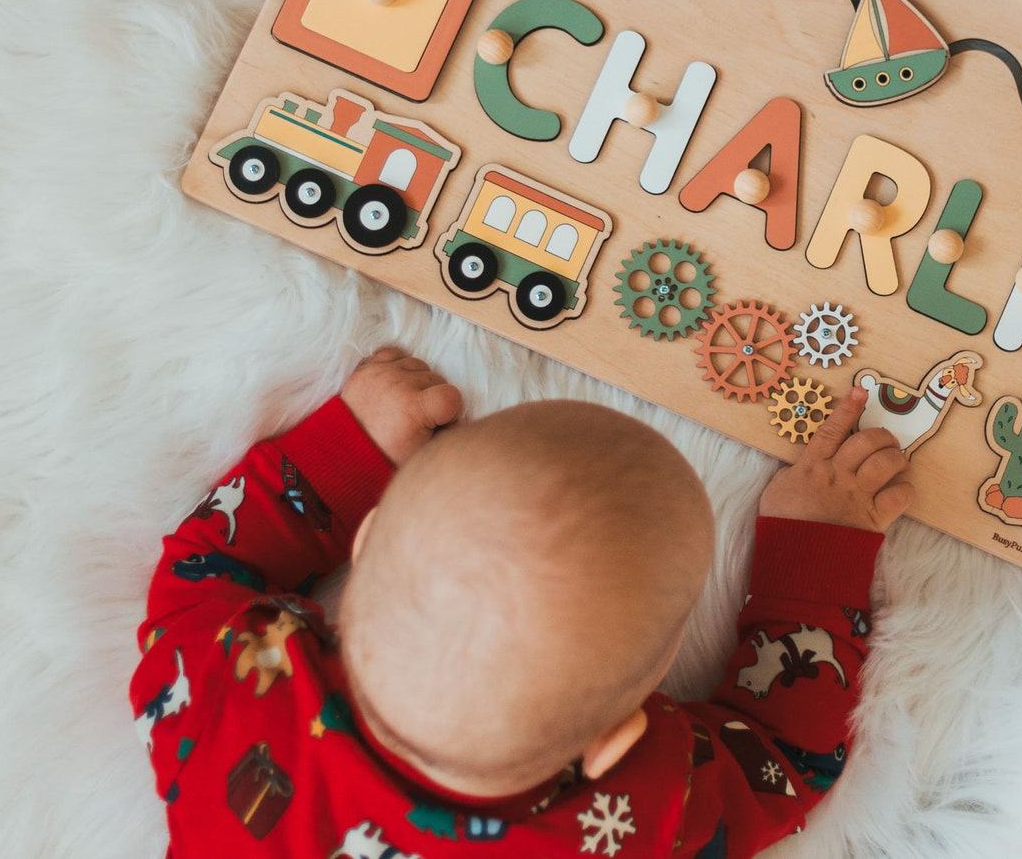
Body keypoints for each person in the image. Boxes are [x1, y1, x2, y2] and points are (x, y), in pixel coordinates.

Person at [130, 346, 913, 855]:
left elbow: (205, 565)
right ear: (613, 744)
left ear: (366, 544)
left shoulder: (238, 679)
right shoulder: (629, 812)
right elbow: (785, 759)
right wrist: (820, 543)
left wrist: (348, 452)